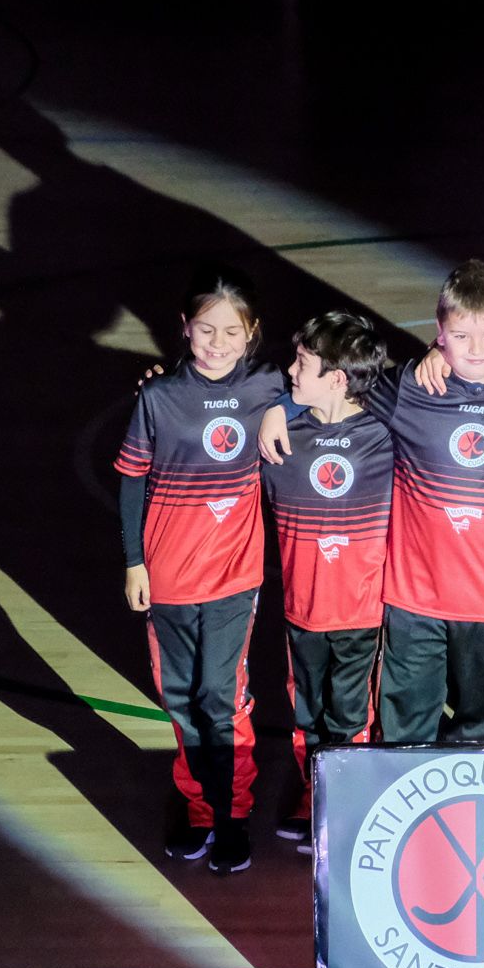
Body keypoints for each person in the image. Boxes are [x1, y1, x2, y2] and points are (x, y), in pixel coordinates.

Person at [263, 261, 484, 744]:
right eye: (461, 335)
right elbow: (341, 384)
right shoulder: (411, 387)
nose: (476, 349)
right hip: (415, 601)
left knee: (481, 735)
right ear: (440, 332)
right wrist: (279, 408)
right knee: (404, 735)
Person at [116, 268, 285, 873]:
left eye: (231, 332)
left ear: (252, 335)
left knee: (224, 695)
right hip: (166, 578)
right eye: (205, 329)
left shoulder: (269, 386)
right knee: (181, 699)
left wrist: (282, 407)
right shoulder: (157, 397)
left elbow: (332, 389)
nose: (217, 343)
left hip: (234, 577)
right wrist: (135, 562)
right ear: (185, 329)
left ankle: (233, 811)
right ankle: (198, 807)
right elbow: (132, 477)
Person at [259, 313, 393, 850]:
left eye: (303, 364)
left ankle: (350, 804)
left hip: (362, 610)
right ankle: (317, 793)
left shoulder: (385, 436)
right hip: (302, 608)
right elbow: (227, 395)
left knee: (352, 712)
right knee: (307, 712)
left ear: (337, 379)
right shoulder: (281, 436)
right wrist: (276, 406)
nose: (290, 371)